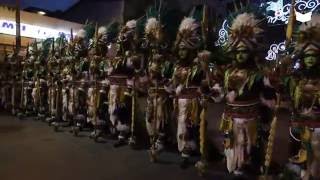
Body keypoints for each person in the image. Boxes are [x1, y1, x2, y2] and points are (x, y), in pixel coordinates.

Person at [282, 15, 320, 179]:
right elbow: (284, 91)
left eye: (314, 56)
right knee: (301, 152)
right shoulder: (295, 79)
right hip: (300, 124)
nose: (310, 59)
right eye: (307, 56)